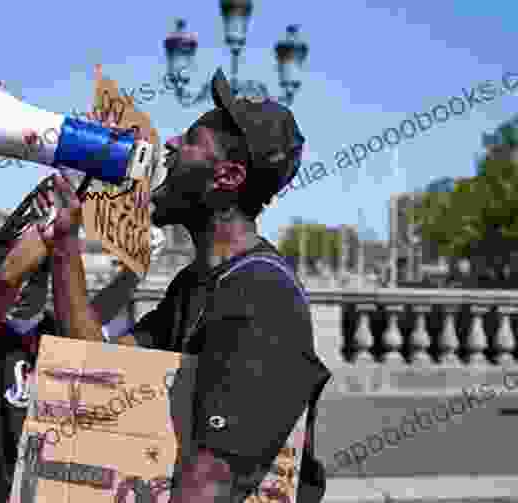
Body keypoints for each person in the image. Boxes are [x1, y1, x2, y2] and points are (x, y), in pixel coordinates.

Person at [35, 69, 332, 503]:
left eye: (190, 139)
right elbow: (96, 366)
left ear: (227, 177)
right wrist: (65, 246)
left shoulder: (261, 298)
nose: (169, 143)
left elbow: (209, 486)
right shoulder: (195, 285)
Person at [0, 175, 167, 503]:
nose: (29, 285)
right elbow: (4, 282)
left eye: (41, 274)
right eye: (27, 271)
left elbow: (96, 314)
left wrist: (136, 268)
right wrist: (41, 238)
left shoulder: (54, 330)